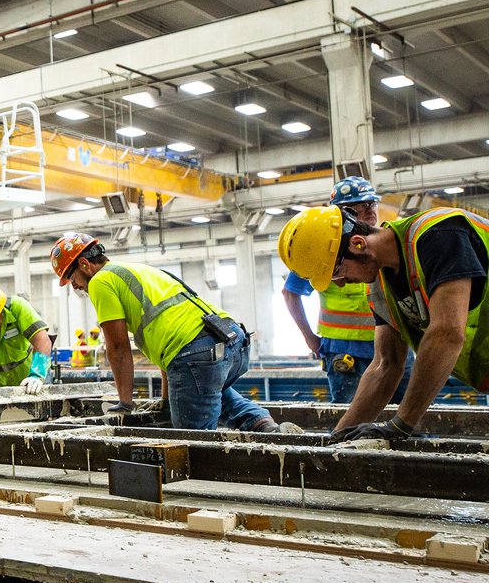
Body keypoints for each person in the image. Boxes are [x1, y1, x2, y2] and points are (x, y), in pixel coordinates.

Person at [278, 204, 488, 442]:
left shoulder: (440, 234)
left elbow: (447, 333)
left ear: (358, 244)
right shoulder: (379, 285)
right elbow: (385, 366)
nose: (339, 283)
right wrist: (337, 439)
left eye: (336, 271)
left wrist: (400, 425)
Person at [50, 231, 285, 433]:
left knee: (192, 446)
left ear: (84, 264)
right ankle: (269, 429)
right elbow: (169, 347)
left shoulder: (101, 281)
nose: (75, 286)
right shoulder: (136, 270)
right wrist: (165, 401)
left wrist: (125, 403)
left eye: (71, 278)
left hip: (196, 353)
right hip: (231, 340)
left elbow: (118, 348)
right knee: (212, 393)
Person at [281, 177, 380, 403]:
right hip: (346, 351)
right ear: (345, 213)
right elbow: (290, 293)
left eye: (372, 204)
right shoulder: (322, 248)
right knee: (351, 418)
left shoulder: (382, 244)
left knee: (408, 420)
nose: (370, 210)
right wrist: (310, 339)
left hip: (391, 346)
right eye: (362, 206)